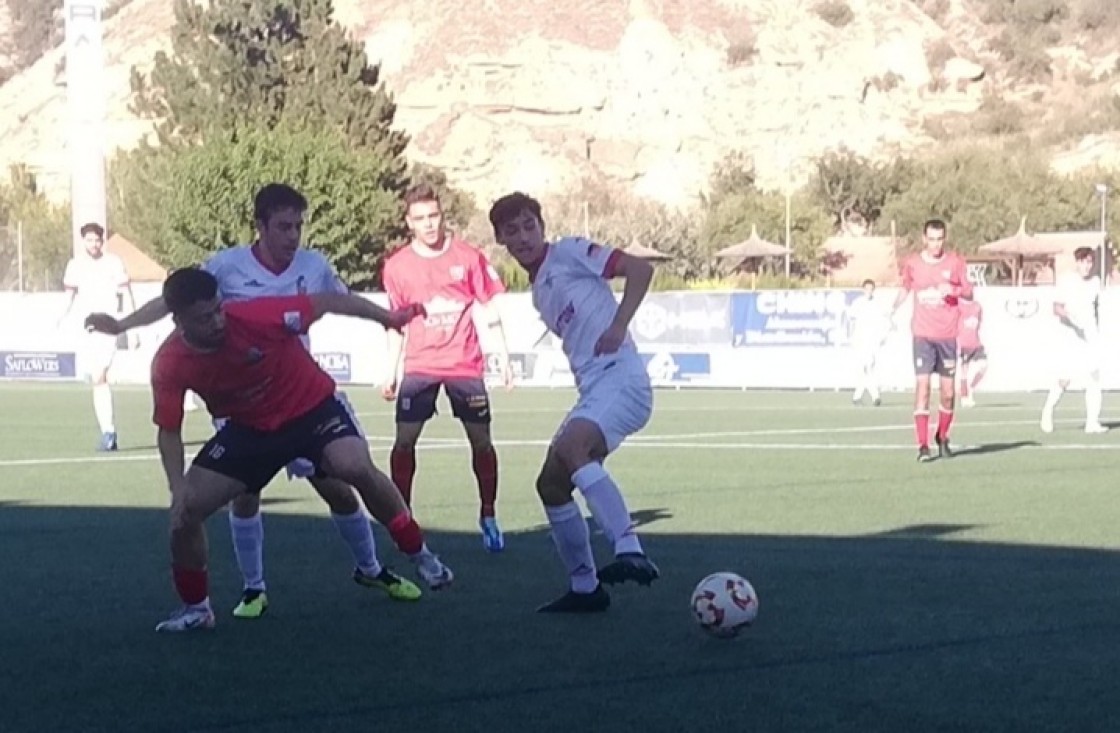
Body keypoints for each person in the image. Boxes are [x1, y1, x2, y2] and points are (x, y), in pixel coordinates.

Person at [85, 183, 408, 620]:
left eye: (298, 226)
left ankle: (370, 567)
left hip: (298, 394)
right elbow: (175, 298)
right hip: (242, 402)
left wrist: (387, 321)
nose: (292, 236)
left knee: (339, 488)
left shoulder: (314, 265)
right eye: (283, 226)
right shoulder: (226, 266)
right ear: (260, 227)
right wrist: (121, 323)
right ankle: (253, 588)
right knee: (245, 494)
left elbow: (339, 299)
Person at [144, 268, 453, 632]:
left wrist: (389, 317)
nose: (216, 322)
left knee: (351, 466)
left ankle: (420, 554)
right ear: (178, 320)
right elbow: (169, 431)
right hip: (250, 430)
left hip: (311, 409)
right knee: (184, 513)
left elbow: (328, 302)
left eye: (218, 310)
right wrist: (176, 488)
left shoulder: (258, 316)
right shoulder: (168, 362)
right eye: (204, 317)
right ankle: (197, 609)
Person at [488, 191, 659, 613]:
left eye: (530, 225)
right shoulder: (537, 290)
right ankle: (585, 587)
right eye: (513, 230)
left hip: (622, 379)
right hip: (596, 389)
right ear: (501, 239)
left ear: (543, 227)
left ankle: (629, 547)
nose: (524, 236)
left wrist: (619, 325)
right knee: (550, 484)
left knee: (572, 449)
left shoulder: (568, 252)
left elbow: (640, 269)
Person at [381, 183, 512, 552]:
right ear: (408, 222)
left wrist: (503, 358)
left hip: (464, 366)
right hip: (420, 365)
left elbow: (489, 308)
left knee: (481, 441)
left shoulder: (468, 257)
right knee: (405, 441)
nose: (428, 224)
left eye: (433, 216)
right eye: (420, 218)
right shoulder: (397, 266)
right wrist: (390, 369)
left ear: (442, 215)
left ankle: (488, 515)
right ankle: (402, 517)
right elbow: (396, 321)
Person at [892, 219, 972, 462]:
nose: (936, 244)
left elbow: (969, 291)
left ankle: (943, 436)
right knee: (923, 387)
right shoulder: (913, 264)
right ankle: (923, 446)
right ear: (924, 239)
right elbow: (906, 287)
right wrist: (893, 307)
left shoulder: (955, 263)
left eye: (940, 239)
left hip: (947, 336)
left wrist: (954, 290)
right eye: (932, 239)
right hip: (923, 336)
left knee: (948, 393)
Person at [58, 223, 137, 451]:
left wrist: (132, 328)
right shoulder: (75, 265)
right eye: (89, 240)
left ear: (102, 241)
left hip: (108, 326)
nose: (93, 244)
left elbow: (126, 294)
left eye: (97, 240)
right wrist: (59, 318)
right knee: (96, 378)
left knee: (100, 376)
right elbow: (69, 297)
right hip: (87, 328)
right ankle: (108, 432)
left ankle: (109, 432)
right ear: (83, 241)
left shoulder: (113, 263)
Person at [1040, 247, 1107, 434]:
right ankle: (1048, 410)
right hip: (1071, 336)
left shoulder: (1095, 282)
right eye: (1084, 262)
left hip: (1090, 336)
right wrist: (1071, 318)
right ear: (1077, 262)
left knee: (1094, 377)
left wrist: (1094, 331)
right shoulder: (1066, 280)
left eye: (1090, 262)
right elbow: (1056, 307)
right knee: (1065, 378)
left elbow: (1095, 309)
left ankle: (1092, 422)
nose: (1088, 266)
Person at [846, 279, 889, 406]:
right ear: (863, 290)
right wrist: (851, 337)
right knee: (865, 368)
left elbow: (883, 321)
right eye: (867, 289)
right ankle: (874, 396)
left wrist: (883, 336)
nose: (869, 291)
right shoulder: (858, 303)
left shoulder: (877, 304)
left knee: (868, 369)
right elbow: (851, 320)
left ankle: (857, 396)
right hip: (860, 340)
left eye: (871, 289)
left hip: (873, 341)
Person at [957, 298, 987, 408]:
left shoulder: (977, 306)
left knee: (984, 366)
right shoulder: (958, 305)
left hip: (976, 343)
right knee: (964, 371)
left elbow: (979, 324)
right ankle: (964, 397)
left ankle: (971, 388)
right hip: (963, 344)